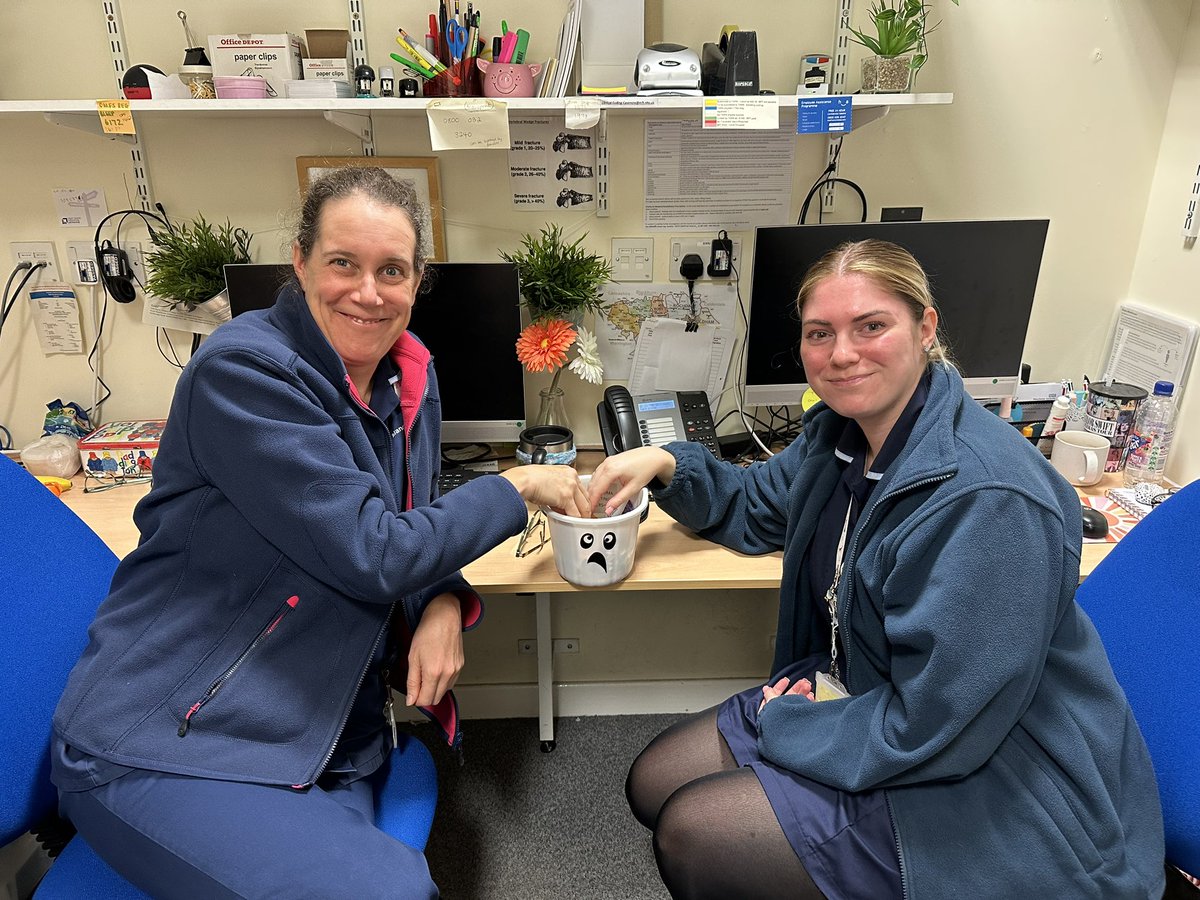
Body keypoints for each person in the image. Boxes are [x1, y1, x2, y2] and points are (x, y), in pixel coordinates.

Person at [50, 166, 589, 899]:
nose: (368, 292)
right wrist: (520, 485)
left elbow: (409, 520)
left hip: (319, 717)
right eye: (343, 262)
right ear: (300, 262)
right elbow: (373, 552)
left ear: (417, 279)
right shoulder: (246, 372)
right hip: (171, 737)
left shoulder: (407, 379)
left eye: (391, 270)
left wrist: (438, 600)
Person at [587, 239, 1165, 900]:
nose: (841, 353)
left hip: (1002, 780)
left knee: (696, 833)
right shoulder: (838, 436)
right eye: (819, 333)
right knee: (653, 779)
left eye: (871, 326)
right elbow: (752, 505)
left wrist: (788, 724)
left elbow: (938, 727)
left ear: (925, 328)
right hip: (876, 704)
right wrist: (665, 465)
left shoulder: (987, 500)